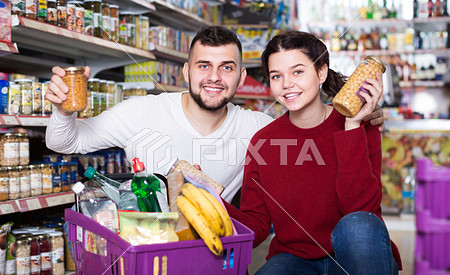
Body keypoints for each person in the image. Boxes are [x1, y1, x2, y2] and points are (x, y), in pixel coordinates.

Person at [45, 26, 385, 206]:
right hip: (141, 254)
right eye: (204, 65)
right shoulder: (141, 111)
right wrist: (62, 111)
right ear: (186, 71)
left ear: (240, 78)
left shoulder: (257, 129)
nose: (214, 77)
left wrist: (356, 119)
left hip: (212, 256)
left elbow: (312, 136)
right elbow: (66, 142)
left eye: (227, 68)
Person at [222, 31, 402, 275]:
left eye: (297, 71)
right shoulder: (264, 142)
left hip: (359, 260)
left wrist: (352, 125)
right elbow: (257, 225)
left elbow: (361, 214)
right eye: (276, 76)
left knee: (356, 226)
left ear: (321, 73)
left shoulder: (363, 125)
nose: (286, 84)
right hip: (295, 260)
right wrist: (211, 199)